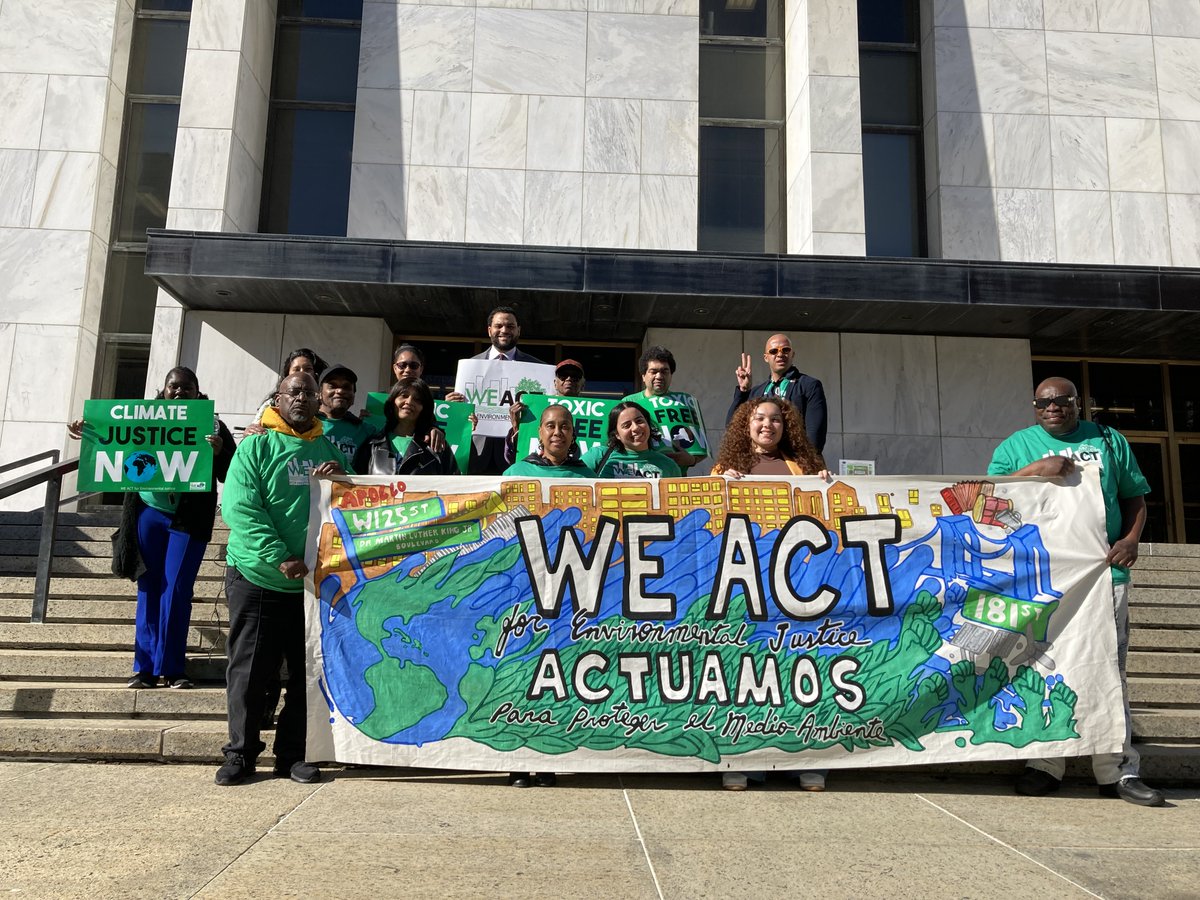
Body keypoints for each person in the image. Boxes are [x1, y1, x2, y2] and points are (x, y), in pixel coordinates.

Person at [988, 377, 1164, 807]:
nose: (1053, 408)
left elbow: (1135, 498)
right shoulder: (1015, 445)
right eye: (1044, 402)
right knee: (1041, 666)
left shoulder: (1109, 440)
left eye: (1062, 401)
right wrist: (1036, 470)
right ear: (1034, 407)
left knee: (1109, 671)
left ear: (1076, 403)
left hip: (1102, 575)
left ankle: (1118, 769)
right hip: (1042, 579)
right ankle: (1047, 763)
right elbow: (990, 497)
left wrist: (1131, 540)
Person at [216, 371, 350, 787]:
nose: (303, 399)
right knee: (251, 673)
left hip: (312, 585)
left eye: (310, 393)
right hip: (259, 578)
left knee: (307, 675)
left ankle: (292, 755)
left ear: (318, 401)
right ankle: (240, 753)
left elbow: (348, 511)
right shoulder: (256, 444)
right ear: (279, 397)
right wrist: (280, 556)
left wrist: (341, 483)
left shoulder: (328, 448)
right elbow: (240, 509)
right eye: (295, 392)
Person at [69, 367, 235, 690]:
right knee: (148, 587)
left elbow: (231, 470)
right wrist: (86, 429)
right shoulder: (142, 418)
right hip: (148, 513)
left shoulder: (212, 424)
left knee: (176, 590)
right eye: (173, 386)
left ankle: (173, 668)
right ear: (163, 389)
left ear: (198, 392)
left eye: (187, 388)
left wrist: (219, 452)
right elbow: (109, 438)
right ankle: (144, 668)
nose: (179, 392)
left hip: (188, 520)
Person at [712, 396, 831, 792]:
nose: (768, 425)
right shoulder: (726, 469)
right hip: (745, 588)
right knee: (745, 676)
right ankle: (740, 761)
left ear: (787, 426)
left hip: (796, 587)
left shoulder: (806, 467)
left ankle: (805, 762)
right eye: (759, 418)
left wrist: (828, 488)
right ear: (745, 424)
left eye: (776, 419)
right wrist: (719, 487)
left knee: (799, 675)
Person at [503, 404, 594, 787]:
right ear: (538, 433)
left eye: (565, 427)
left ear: (574, 435)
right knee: (520, 668)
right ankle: (517, 759)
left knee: (556, 669)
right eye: (551, 426)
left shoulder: (588, 477)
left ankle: (547, 754)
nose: (558, 432)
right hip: (524, 584)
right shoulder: (514, 473)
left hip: (568, 588)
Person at [448, 306, 546, 474]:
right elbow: (457, 419)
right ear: (489, 330)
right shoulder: (469, 367)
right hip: (475, 456)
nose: (504, 330)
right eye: (499, 326)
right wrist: (453, 408)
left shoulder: (537, 369)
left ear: (518, 330)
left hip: (517, 458)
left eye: (510, 326)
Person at [727, 333, 827, 453]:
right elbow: (732, 427)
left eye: (785, 350)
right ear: (766, 357)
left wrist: (805, 463)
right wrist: (743, 391)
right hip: (762, 460)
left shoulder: (809, 385)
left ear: (792, 354)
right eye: (774, 351)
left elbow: (815, 434)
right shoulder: (756, 392)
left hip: (795, 460)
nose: (780, 354)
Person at [622, 346, 707, 473]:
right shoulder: (628, 404)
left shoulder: (685, 403)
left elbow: (701, 447)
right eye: (653, 371)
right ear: (643, 376)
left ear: (671, 375)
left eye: (664, 371)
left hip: (677, 480)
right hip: (639, 478)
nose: (659, 376)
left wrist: (691, 460)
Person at [353, 378, 458, 476]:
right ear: (393, 401)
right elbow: (356, 489)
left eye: (417, 399)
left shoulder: (437, 447)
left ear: (424, 408)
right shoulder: (371, 446)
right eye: (404, 395)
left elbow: (454, 488)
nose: (409, 402)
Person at [503, 358, 587, 468]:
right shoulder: (537, 409)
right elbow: (511, 457)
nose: (569, 379)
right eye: (563, 375)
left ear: (583, 384)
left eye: (575, 376)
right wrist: (516, 427)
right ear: (555, 383)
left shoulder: (600, 413)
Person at [583, 401, 681, 479]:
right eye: (627, 425)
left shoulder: (669, 466)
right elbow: (572, 481)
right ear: (617, 434)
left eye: (639, 421)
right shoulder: (598, 456)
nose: (635, 428)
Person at [318, 364, 377, 462]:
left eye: (346, 387)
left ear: (353, 396)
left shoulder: (366, 431)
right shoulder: (307, 424)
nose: (340, 391)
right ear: (319, 393)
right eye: (332, 386)